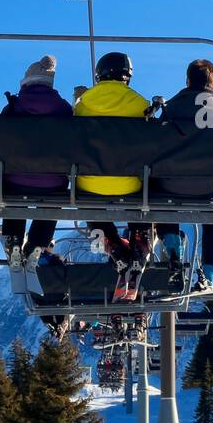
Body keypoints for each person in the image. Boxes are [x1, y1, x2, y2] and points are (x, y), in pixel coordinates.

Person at [153, 58, 213, 288]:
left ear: (188, 80)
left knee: (153, 188)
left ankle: (171, 241)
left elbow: (154, 144)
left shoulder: (171, 108)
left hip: (169, 185)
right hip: (209, 188)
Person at [73, 51, 152, 299]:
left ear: (99, 76)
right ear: (127, 77)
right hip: (130, 184)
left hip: (90, 184)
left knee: (92, 209)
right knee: (145, 206)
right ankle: (140, 241)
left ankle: (114, 247)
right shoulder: (141, 105)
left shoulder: (83, 105)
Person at [0, 55, 73, 273]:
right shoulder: (64, 110)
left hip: (14, 179)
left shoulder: (13, 108)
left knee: (14, 198)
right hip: (52, 182)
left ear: (26, 82)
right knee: (52, 202)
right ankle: (37, 244)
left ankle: (13, 238)